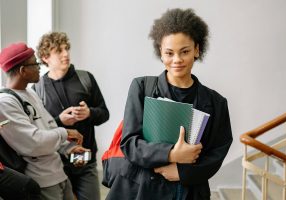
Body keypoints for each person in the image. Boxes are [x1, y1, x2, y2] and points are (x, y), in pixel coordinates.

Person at [106, 8, 233, 200]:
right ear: (161, 53)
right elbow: (129, 143)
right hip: (142, 188)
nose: (177, 60)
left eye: (184, 51)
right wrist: (172, 154)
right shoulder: (142, 87)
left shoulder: (216, 103)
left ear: (197, 50)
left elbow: (217, 152)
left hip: (189, 190)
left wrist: (182, 172)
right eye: (169, 53)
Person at [0, 42, 88, 200]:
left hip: (59, 173)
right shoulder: (5, 103)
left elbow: (49, 126)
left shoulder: (29, 93)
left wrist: (68, 149)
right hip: (41, 181)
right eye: (36, 63)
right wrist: (65, 132)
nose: (40, 67)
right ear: (23, 70)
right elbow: (33, 142)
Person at [33, 32, 109, 200]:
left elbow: (104, 114)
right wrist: (59, 120)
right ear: (45, 57)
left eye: (67, 48)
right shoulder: (38, 89)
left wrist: (90, 113)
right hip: (55, 164)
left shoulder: (85, 78)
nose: (66, 54)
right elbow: (38, 130)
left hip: (86, 161)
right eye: (59, 51)